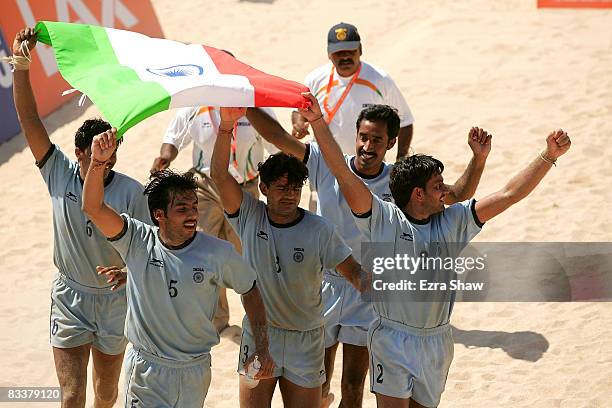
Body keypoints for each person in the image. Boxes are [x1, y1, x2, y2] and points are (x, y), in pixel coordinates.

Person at [298, 92, 571, 408]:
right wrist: (317, 121)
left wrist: (548, 156)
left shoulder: (453, 220)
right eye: (438, 186)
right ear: (417, 194)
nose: (447, 191)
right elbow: (342, 173)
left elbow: (510, 194)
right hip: (392, 338)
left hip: (437, 341)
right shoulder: (383, 219)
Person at [246, 105, 490, 408]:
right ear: (355, 136)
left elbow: (455, 194)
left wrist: (477, 160)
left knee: (353, 382)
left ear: (390, 143)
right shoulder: (326, 163)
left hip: (367, 286)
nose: (368, 145)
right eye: (363, 137)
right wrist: (243, 100)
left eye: (377, 140)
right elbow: (277, 135)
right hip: (322, 283)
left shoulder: (399, 183)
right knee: (318, 380)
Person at [82, 130, 275, 407]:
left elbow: (251, 290)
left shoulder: (218, 253)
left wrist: (262, 346)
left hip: (195, 371)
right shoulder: (137, 240)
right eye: (182, 208)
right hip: (147, 370)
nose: (193, 214)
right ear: (159, 215)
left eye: (194, 206)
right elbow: (93, 208)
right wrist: (98, 163)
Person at [11, 28, 151, 408]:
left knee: (105, 395)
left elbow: (149, 248)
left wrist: (131, 274)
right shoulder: (59, 171)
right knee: (71, 397)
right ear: (79, 153)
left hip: (114, 301)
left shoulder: (131, 191)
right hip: (71, 297)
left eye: (111, 152)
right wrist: (22, 66)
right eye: (97, 152)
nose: (105, 160)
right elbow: (28, 118)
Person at [210, 108, 367, 408]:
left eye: (295, 189)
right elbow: (219, 174)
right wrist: (226, 126)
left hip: (306, 341)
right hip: (259, 337)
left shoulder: (320, 229)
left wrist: (396, 295)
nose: (289, 195)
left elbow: (355, 274)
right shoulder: (248, 215)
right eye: (281, 188)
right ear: (264, 188)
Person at [150, 95, 278, 334]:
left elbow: (275, 144)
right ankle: (216, 322)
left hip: (244, 188)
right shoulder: (196, 107)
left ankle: (257, 319)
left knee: (243, 255)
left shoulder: (255, 109)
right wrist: (166, 156)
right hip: (204, 187)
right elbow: (173, 136)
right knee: (202, 248)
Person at [292, 22, 414, 160]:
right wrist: (298, 124)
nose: (345, 57)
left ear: (360, 50)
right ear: (329, 54)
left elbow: (405, 121)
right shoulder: (314, 79)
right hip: (324, 163)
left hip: (368, 164)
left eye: (350, 51)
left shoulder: (380, 79)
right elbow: (298, 111)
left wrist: (401, 158)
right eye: (338, 53)